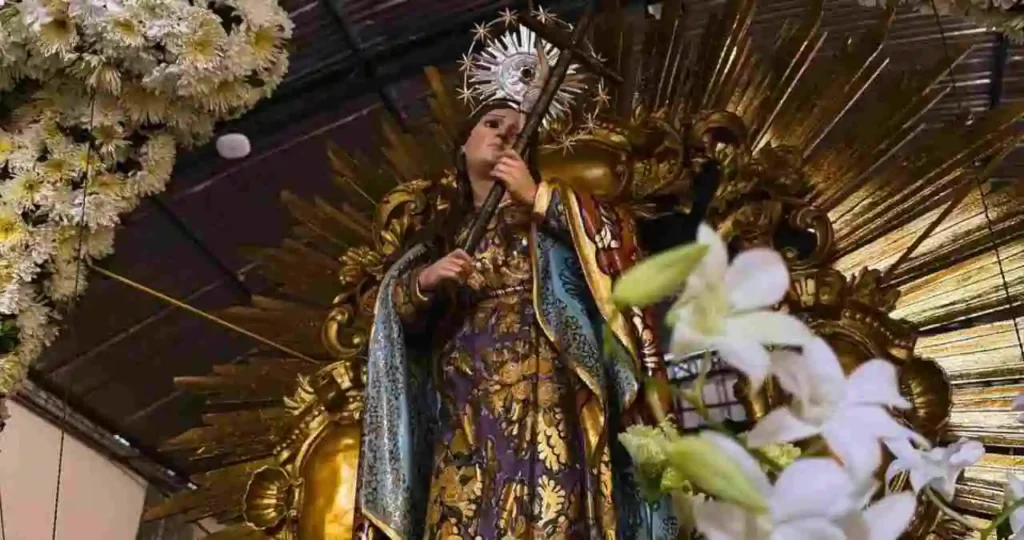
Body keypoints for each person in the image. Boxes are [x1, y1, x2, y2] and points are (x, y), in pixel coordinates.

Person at [355, 101, 677, 540]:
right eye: (492, 124)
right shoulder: (441, 237)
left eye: (519, 131)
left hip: (547, 391)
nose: (505, 135)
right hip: (466, 398)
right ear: (463, 146)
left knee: (548, 513)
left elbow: (614, 249)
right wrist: (424, 281)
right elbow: (394, 333)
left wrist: (539, 198)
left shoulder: (549, 217)